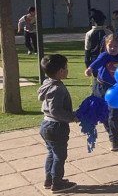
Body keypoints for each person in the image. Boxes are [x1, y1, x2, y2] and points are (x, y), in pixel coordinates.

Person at [38, 54, 78, 193]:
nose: (67, 70)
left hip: (46, 125)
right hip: (56, 127)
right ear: (60, 71)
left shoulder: (47, 83)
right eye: (66, 68)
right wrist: (72, 117)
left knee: (51, 153)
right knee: (59, 156)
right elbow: (56, 111)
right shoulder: (57, 89)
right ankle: (57, 183)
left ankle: (49, 179)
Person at [84, 34, 118, 151]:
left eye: (116, 46)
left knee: (114, 115)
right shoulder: (104, 56)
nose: (113, 48)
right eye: (110, 45)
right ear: (105, 46)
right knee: (102, 113)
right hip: (101, 87)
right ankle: (110, 131)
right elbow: (97, 62)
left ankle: (114, 139)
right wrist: (90, 69)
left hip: (115, 90)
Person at [84, 12, 112, 76]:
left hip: (95, 59)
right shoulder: (109, 32)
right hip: (107, 59)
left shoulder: (89, 33)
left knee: (97, 78)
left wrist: (87, 65)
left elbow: (87, 49)